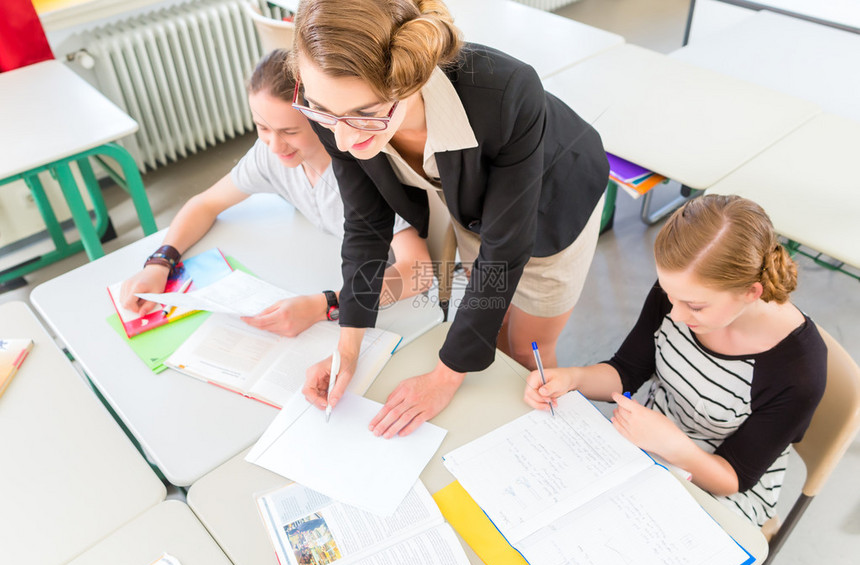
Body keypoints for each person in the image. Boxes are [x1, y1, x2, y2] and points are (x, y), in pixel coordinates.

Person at [293, 0, 609, 438]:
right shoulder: (332, 101)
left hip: (554, 198)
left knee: (523, 348)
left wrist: (444, 377)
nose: (343, 140)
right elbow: (366, 224)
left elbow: (505, 250)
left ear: (410, 80)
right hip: (474, 202)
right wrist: (347, 347)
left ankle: (533, 443)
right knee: (489, 324)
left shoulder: (507, 91)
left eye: (365, 115)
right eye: (322, 111)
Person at [524, 194, 827, 526]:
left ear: (751, 292)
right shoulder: (682, 291)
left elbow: (734, 478)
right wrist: (572, 379)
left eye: (695, 306)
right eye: (670, 296)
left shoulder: (799, 369)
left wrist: (671, 444)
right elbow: (626, 370)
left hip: (721, 484)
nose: (676, 314)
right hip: (650, 445)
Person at [121, 49, 432, 336]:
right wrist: (160, 263)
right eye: (262, 127)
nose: (274, 144)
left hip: (399, 307)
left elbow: (419, 271)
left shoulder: (366, 169)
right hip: (327, 270)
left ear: (323, 118)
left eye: (290, 132)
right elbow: (205, 204)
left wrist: (327, 303)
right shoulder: (271, 155)